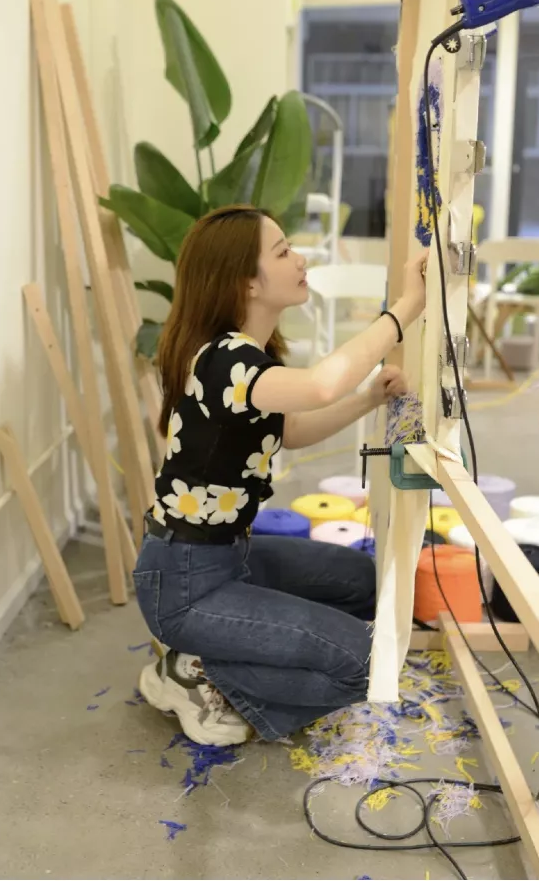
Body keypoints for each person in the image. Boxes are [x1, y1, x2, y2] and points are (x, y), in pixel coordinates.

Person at [134, 205, 427, 746]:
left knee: (363, 583)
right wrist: (406, 308)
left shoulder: (247, 355)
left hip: (227, 557)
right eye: (283, 252)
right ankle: (199, 673)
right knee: (369, 664)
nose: (300, 259)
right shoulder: (225, 360)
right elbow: (320, 386)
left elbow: (289, 430)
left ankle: (214, 651)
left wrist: (368, 398)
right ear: (247, 281)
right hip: (184, 581)